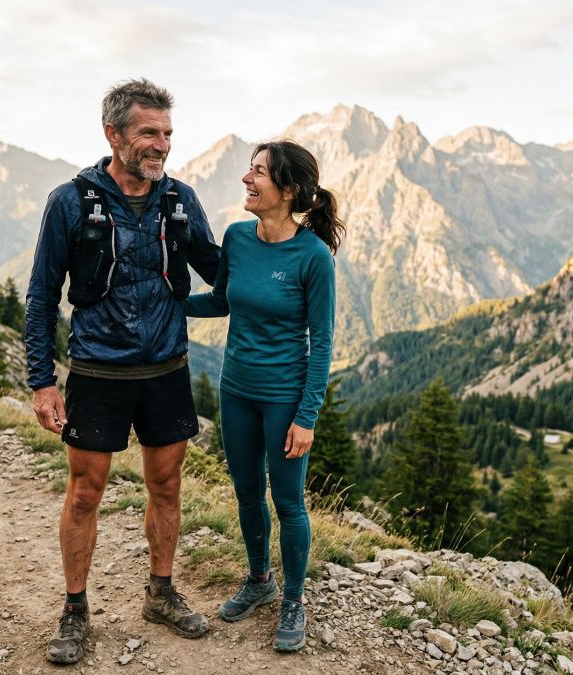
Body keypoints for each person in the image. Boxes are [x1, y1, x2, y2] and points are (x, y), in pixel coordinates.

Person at [25, 78, 221, 665]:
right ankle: (75, 611)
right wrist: (41, 380)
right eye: (148, 134)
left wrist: (285, 249)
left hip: (166, 369)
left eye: (167, 134)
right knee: (85, 493)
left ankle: (160, 594)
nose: (161, 145)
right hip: (97, 372)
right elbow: (42, 297)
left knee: (166, 485)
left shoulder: (180, 199)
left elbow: (217, 269)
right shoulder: (70, 201)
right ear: (113, 135)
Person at [184, 140, 341, 652]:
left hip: (284, 397)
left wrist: (307, 415)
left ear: (288, 190)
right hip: (237, 391)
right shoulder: (237, 238)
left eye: (258, 174)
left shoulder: (313, 257)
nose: (246, 180)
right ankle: (259, 579)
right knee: (247, 493)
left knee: (288, 501)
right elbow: (222, 300)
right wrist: (167, 301)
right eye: (248, 170)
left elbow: (323, 343)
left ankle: (293, 599)